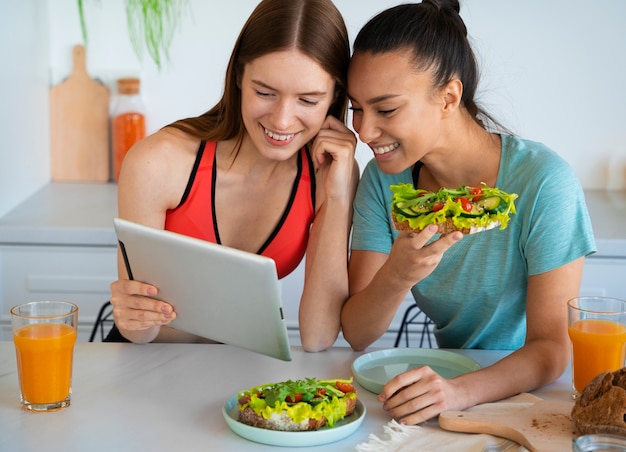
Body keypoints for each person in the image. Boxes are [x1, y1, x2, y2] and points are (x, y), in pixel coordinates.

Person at [342, 0, 596, 425]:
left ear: (449, 96)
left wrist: (458, 392)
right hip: (449, 381)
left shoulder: (543, 182)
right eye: (356, 108)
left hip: (530, 397)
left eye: (386, 109)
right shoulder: (384, 181)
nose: (364, 131)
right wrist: (398, 274)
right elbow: (357, 332)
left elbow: (551, 347)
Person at [107, 0, 359, 352]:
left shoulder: (329, 174)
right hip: (149, 362)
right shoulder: (157, 162)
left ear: (335, 97)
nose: (283, 121)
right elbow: (140, 333)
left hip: (242, 367)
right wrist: (132, 317)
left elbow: (318, 337)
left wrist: (337, 196)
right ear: (239, 76)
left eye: (308, 100)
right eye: (265, 93)